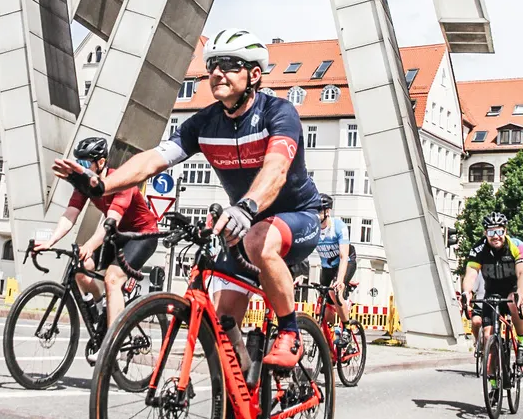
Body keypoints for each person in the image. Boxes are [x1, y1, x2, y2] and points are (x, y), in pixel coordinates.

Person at [53, 28, 322, 371]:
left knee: (258, 239)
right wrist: (100, 185)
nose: (217, 73)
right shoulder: (205, 123)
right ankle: (239, 400)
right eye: (212, 66)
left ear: (255, 74)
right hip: (242, 223)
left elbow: (276, 169)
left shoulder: (279, 113)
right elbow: (152, 160)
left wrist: (247, 205)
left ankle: (290, 332)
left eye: (229, 65)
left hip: (295, 216)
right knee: (224, 323)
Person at [36, 135, 158, 329]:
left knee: (112, 278)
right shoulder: (86, 185)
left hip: (142, 235)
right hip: (118, 235)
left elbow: (110, 222)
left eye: (84, 163)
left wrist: (91, 245)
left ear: (101, 162)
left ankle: (112, 343)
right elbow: (70, 214)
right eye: (78, 162)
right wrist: (51, 241)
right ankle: (101, 308)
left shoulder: (121, 182)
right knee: (81, 269)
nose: (80, 168)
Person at [460, 212, 523, 366]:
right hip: (492, 291)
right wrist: (467, 292)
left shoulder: (517, 246)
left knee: (513, 302)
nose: (495, 236)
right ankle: (492, 383)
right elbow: (471, 275)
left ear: (505, 231)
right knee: (487, 336)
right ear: (485, 233)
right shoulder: (478, 249)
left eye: (499, 231)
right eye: (491, 232)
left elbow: (522, 273)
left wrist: (520, 292)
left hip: (514, 287)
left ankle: (521, 342)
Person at [315, 194, 356, 344]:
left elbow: (344, 256)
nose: (316, 213)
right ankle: (330, 340)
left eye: (319, 210)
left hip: (345, 262)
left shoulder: (338, 226)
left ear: (328, 212)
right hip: (327, 267)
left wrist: (340, 280)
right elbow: (302, 253)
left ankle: (347, 328)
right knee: (324, 305)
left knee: (334, 292)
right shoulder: (313, 229)